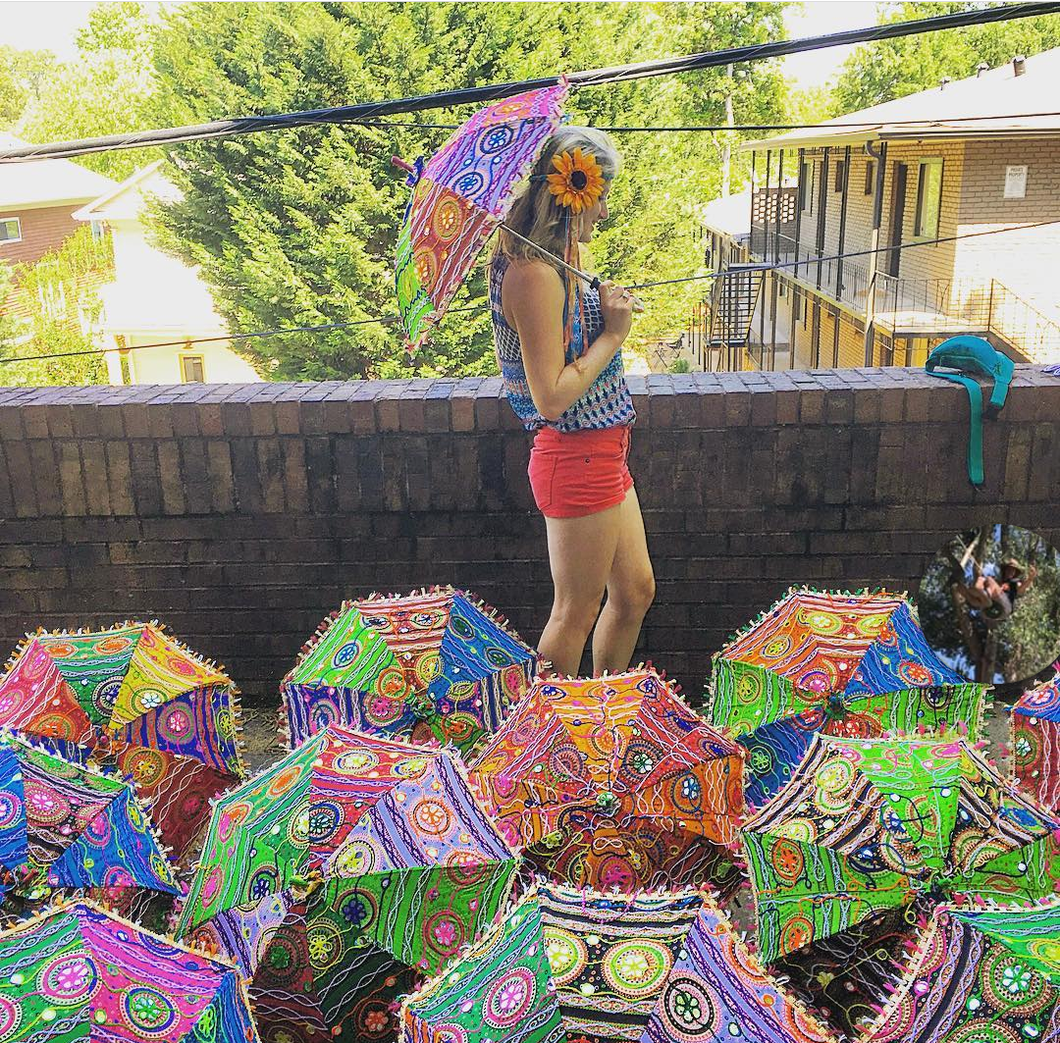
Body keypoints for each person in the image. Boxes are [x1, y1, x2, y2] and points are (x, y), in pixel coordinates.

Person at [489, 126, 654, 678]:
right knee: (574, 612)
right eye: (599, 194)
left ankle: (603, 710)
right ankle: (547, 743)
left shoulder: (557, 257)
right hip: (574, 454)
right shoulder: (534, 275)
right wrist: (614, 333)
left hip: (603, 452)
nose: (604, 210)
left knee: (634, 593)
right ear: (571, 192)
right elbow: (552, 396)